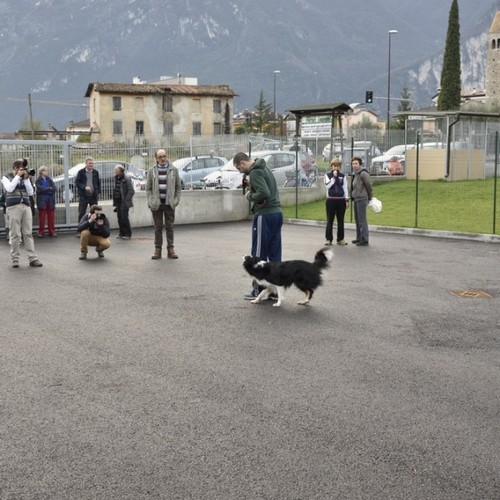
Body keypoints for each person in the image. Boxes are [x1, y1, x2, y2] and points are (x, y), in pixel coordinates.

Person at [233, 152, 283, 300]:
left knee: (258, 253)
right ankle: (274, 291)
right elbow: (267, 189)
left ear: (242, 163)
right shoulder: (265, 168)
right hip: (277, 213)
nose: (240, 171)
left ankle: (258, 290)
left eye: (238, 168)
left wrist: (249, 195)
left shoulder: (255, 172)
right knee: (275, 254)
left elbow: (264, 193)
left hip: (265, 215)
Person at [1, 159, 43, 267]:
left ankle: (33, 258)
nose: (23, 171)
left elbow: (30, 192)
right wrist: (17, 177)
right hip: (13, 207)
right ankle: (15, 259)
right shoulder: (6, 177)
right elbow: (9, 189)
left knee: (28, 233)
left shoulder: (25, 178)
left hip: (26, 206)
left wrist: (26, 179)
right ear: (14, 169)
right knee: (15, 234)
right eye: (20, 169)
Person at [146, 149, 181, 259]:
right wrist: (151, 201)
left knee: (170, 227)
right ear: (156, 158)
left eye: (164, 156)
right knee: (158, 228)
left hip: (169, 204)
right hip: (156, 204)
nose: (163, 158)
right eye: (160, 156)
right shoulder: (152, 171)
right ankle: (158, 250)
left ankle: (170, 250)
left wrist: (175, 201)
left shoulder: (173, 170)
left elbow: (178, 187)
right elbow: (148, 188)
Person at [324, 158, 349, 246]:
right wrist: (334, 178)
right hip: (331, 200)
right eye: (334, 166)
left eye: (338, 166)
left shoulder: (343, 176)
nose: (336, 168)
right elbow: (327, 186)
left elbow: (345, 187)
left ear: (340, 167)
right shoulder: (328, 175)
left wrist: (346, 199)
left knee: (340, 220)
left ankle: (340, 238)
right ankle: (328, 239)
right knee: (330, 220)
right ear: (331, 166)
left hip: (340, 200)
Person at [75, 157, 100, 236]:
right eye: (89, 163)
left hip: (93, 196)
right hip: (84, 196)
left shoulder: (96, 172)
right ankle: (80, 231)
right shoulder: (81, 172)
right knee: (82, 213)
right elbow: (77, 183)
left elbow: (98, 183)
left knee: (94, 213)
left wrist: (97, 191)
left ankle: (94, 230)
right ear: (86, 164)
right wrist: (84, 187)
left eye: (92, 163)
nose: (91, 165)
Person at [350, 156, 372, 247]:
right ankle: (359, 238)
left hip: (362, 199)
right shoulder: (355, 174)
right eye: (353, 164)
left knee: (362, 220)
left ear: (360, 164)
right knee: (357, 220)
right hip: (356, 199)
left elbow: (369, 186)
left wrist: (370, 197)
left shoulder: (363, 173)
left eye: (356, 163)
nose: (354, 165)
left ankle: (364, 239)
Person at [113, 164, 134, 239]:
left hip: (123, 201)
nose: (114, 171)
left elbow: (131, 191)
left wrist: (126, 200)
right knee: (119, 218)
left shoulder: (126, 179)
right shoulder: (116, 178)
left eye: (116, 170)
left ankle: (128, 234)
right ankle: (121, 233)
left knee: (124, 218)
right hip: (118, 201)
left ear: (120, 171)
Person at [35, 165, 57, 237]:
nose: (46, 172)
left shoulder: (50, 180)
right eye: (45, 171)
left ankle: (52, 232)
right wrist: (48, 189)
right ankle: (41, 232)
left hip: (50, 201)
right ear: (41, 172)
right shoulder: (38, 180)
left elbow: (54, 189)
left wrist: (47, 189)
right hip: (42, 201)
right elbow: (40, 189)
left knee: (51, 217)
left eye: (47, 171)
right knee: (42, 218)